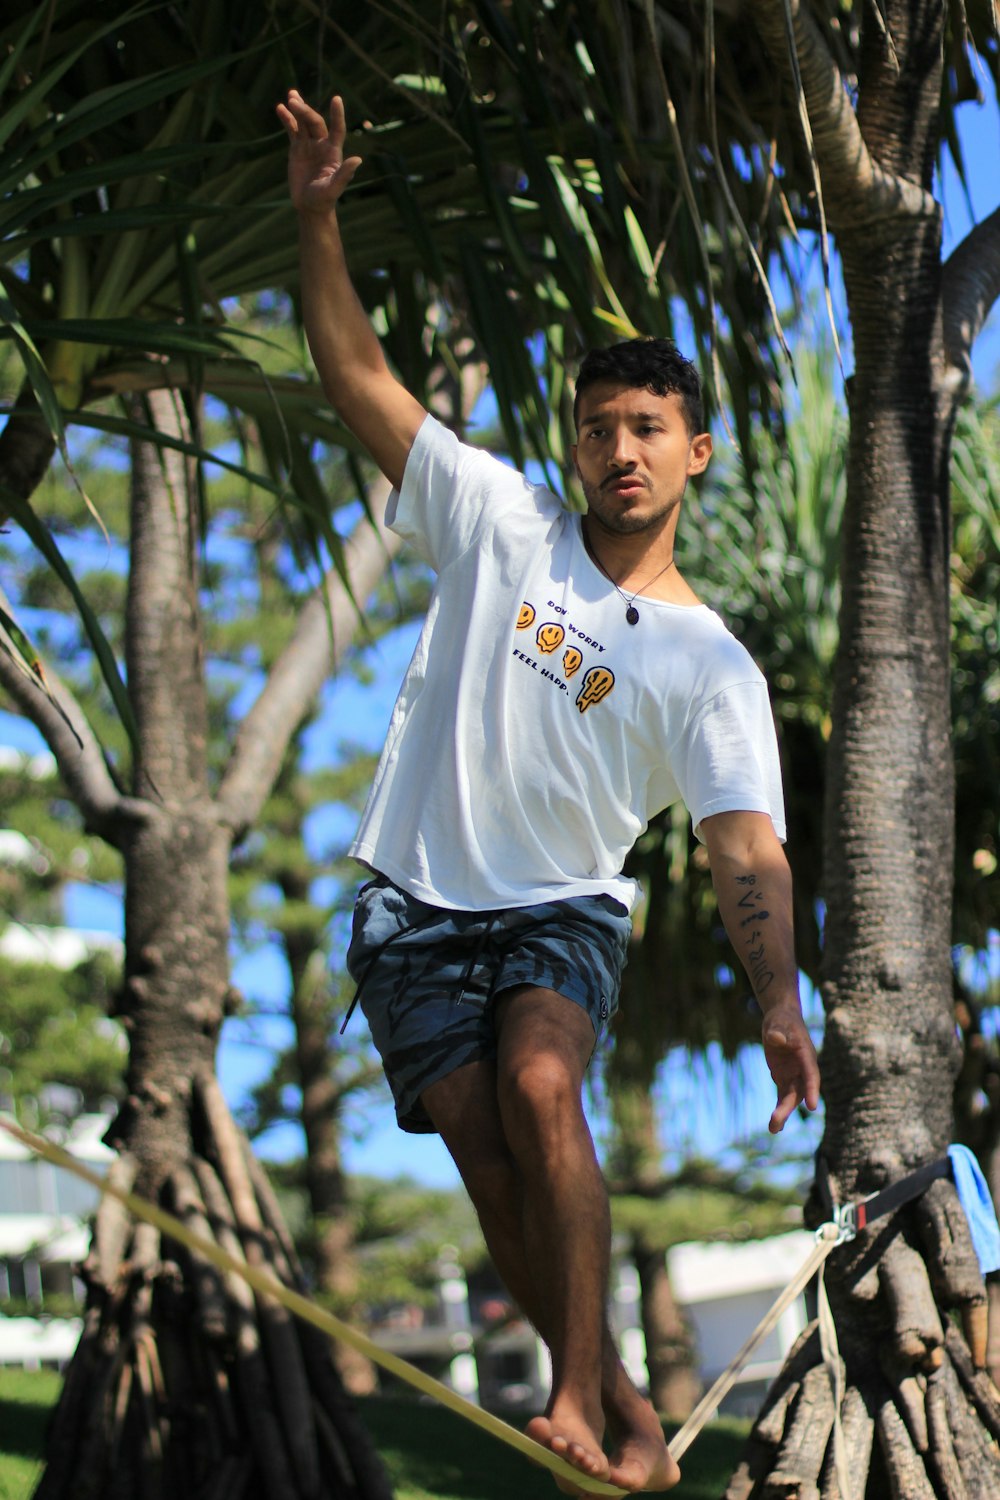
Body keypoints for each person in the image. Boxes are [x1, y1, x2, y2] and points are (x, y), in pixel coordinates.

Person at [277, 89, 821, 1496]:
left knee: (540, 1085)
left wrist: (776, 997)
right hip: (409, 906)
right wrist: (316, 217)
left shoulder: (710, 665)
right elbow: (361, 384)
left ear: (694, 451)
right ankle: (626, 1412)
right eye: (599, 427)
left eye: (648, 426)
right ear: (574, 445)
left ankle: (577, 1394)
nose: (620, 450)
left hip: (563, 906)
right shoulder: (502, 522)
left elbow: (744, 845)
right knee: (483, 1150)